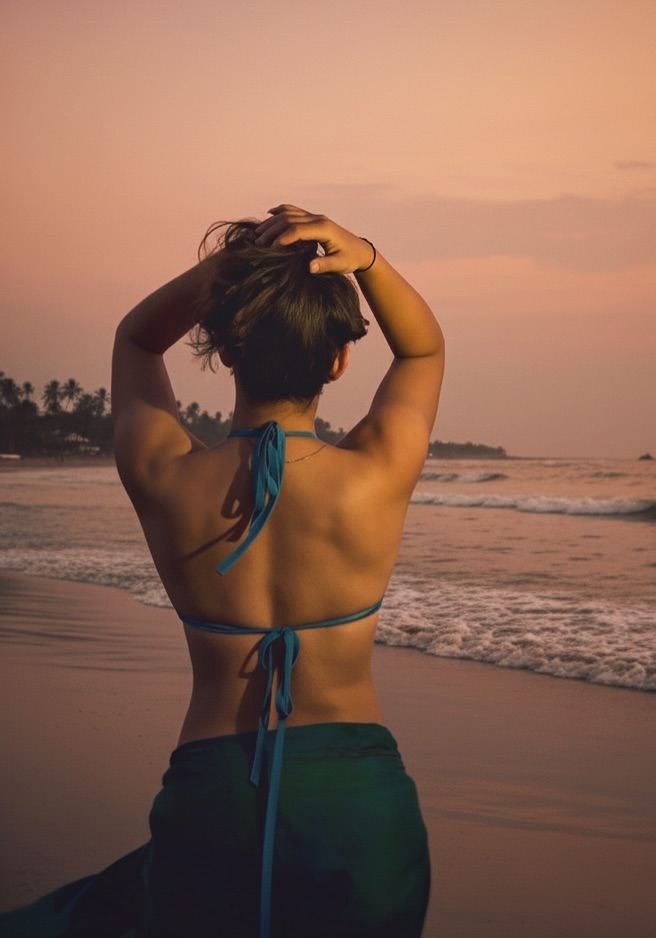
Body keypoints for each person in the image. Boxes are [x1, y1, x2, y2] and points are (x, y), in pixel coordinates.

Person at [0, 203, 444, 938]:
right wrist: (362, 256)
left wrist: (228, 273)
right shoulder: (375, 474)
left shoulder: (166, 476)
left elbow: (137, 339)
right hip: (356, 799)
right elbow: (422, 352)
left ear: (225, 350)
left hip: (213, 789)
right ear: (338, 360)